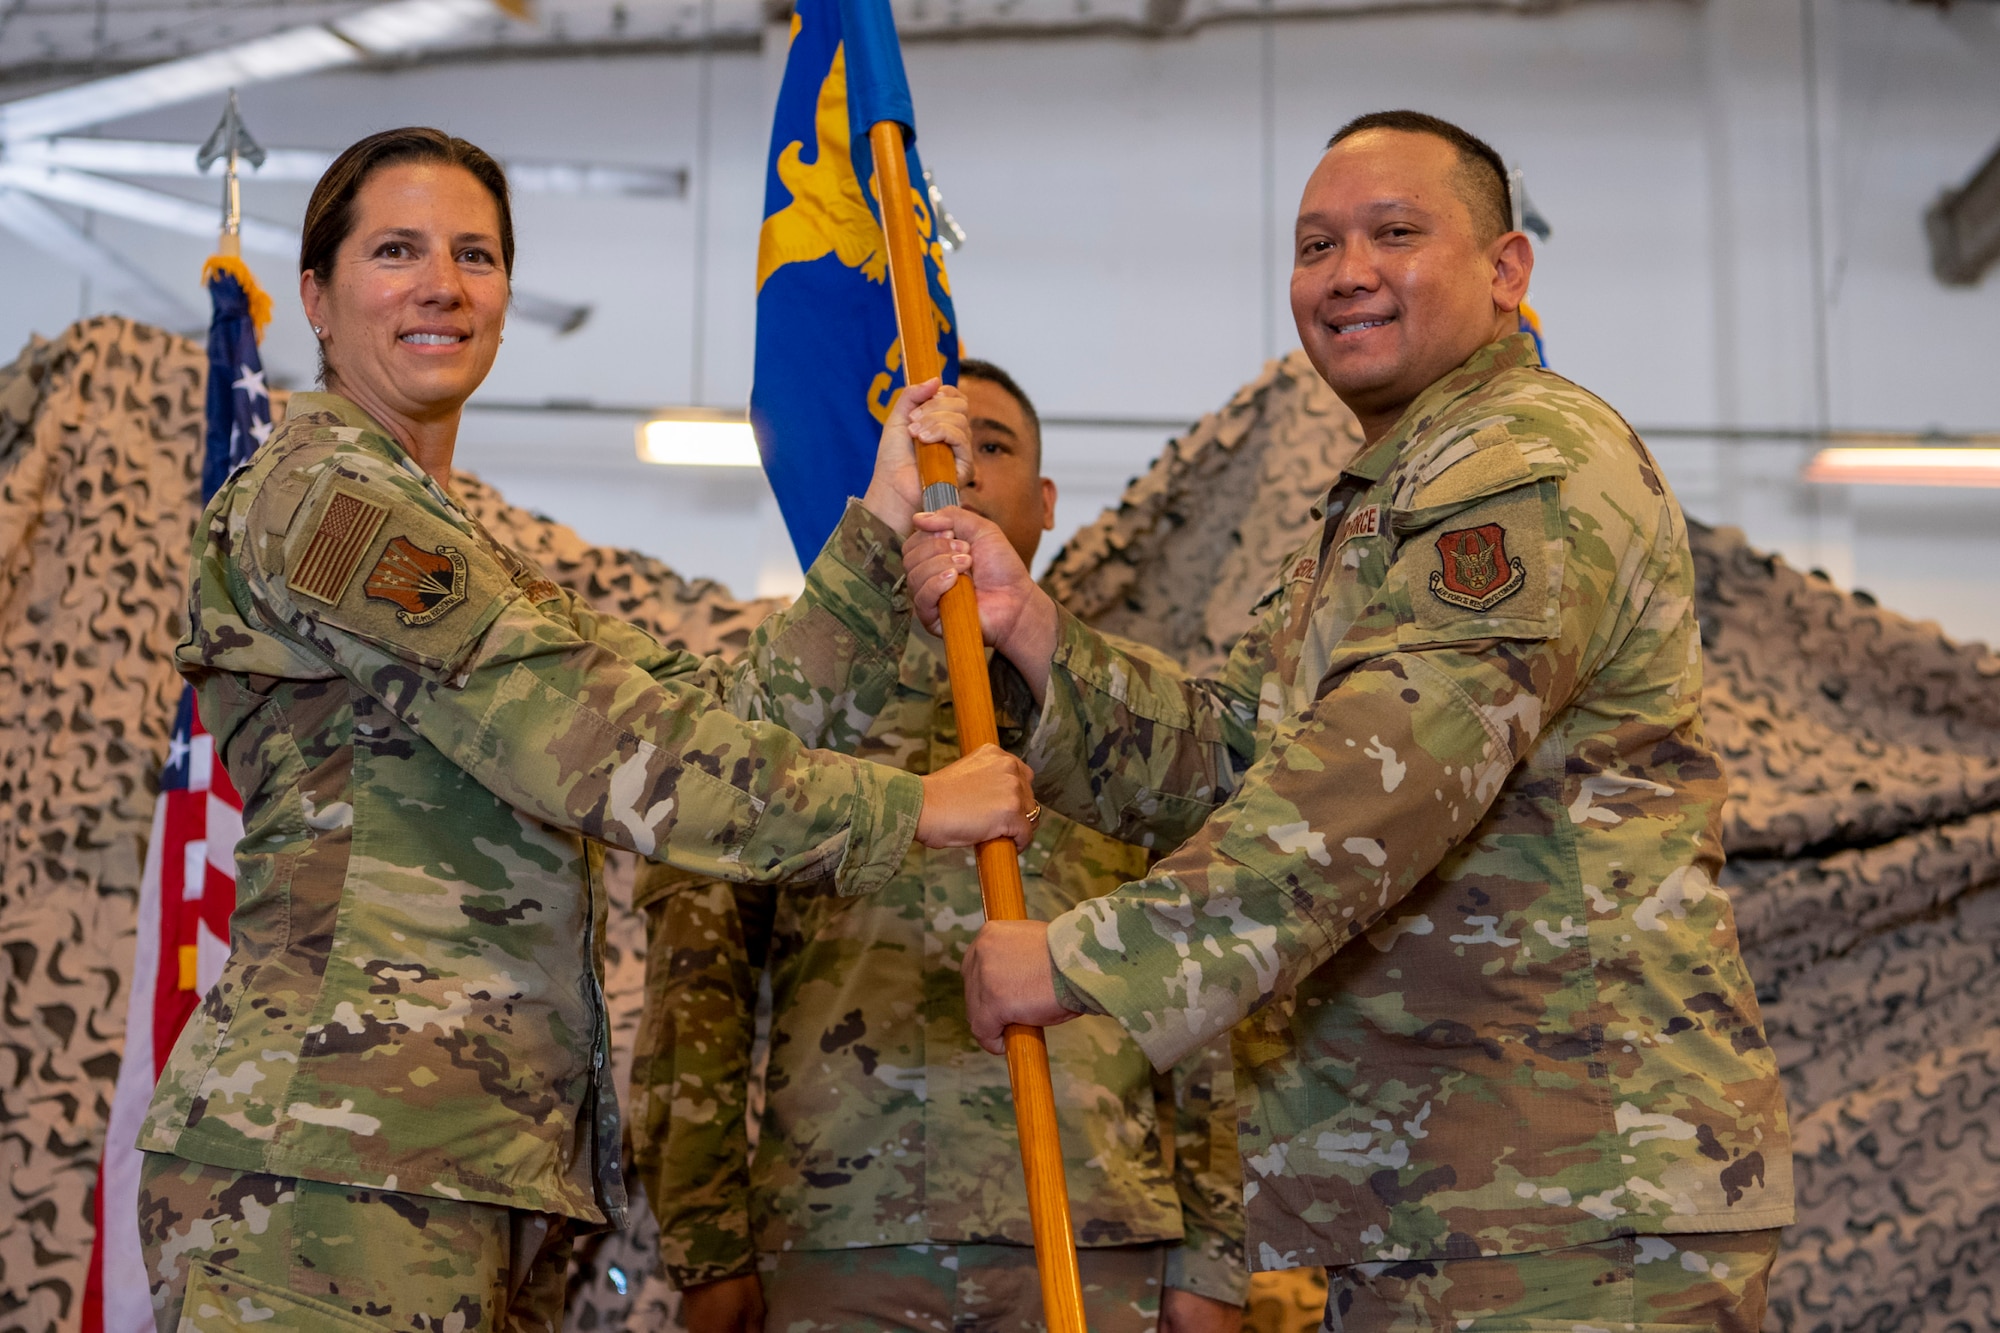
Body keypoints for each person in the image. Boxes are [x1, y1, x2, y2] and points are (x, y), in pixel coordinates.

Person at [136, 126, 1037, 1333]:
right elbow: (598, 745)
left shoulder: (474, 551)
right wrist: (914, 808)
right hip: (324, 1169)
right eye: (396, 251)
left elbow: (720, 715)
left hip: (456, 1164)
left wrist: (875, 527)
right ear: (316, 294)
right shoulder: (323, 501)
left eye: (475, 255)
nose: (443, 286)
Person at [910, 111, 1795, 1330]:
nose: (1346, 272)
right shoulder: (1388, 498)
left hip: (1575, 1195)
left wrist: (1077, 959)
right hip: (1453, 1192)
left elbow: (1375, 778)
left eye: (1394, 232)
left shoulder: (1524, 462)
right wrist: (1033, 633)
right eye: (1315, 244)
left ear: (1505, 269)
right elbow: (1238, 755)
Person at [633, 360, 1249, 1333]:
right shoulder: (803, 705)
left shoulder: (1135, 721)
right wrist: (705, 1246)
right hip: (844, 1233)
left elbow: (1206, 979)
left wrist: (1211, 1259)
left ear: (1045, 505)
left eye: (985, 446)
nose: (950, 469)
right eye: (931, 445)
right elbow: (698, 984)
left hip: (1089, 1227)